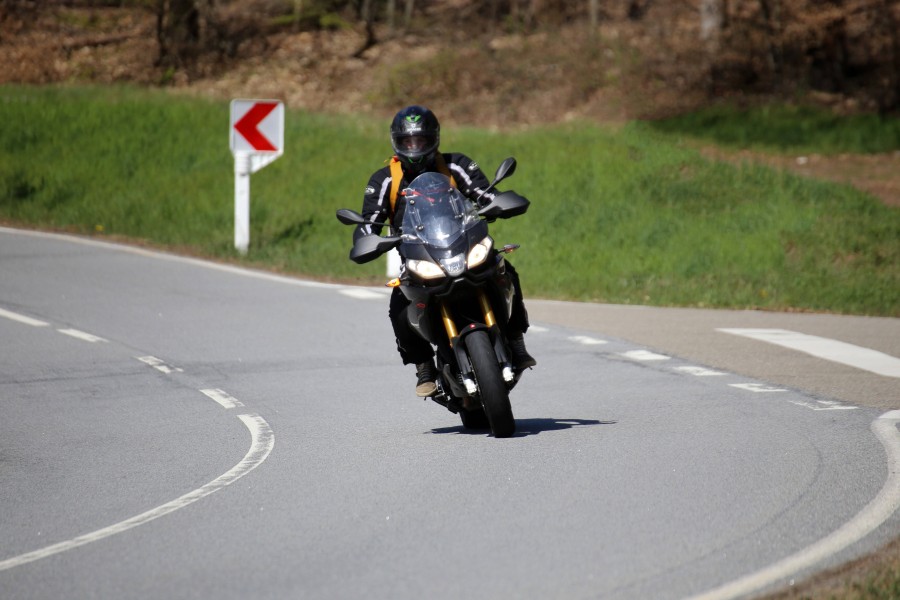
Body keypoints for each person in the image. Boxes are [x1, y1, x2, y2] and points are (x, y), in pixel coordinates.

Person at [355, 105, 536, 397]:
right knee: (398, 306)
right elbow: (370, 220)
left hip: (464, 245)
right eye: (407, 142)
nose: (415, 149)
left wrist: (500, 202)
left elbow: (483, 192)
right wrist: (366, 239)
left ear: (435, 139)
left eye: (421, 141)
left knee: (507, 271)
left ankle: (516, 340)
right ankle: (424, 365)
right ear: (396, 143)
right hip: (419, 258)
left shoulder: (455, 165)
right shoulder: (385, 179)